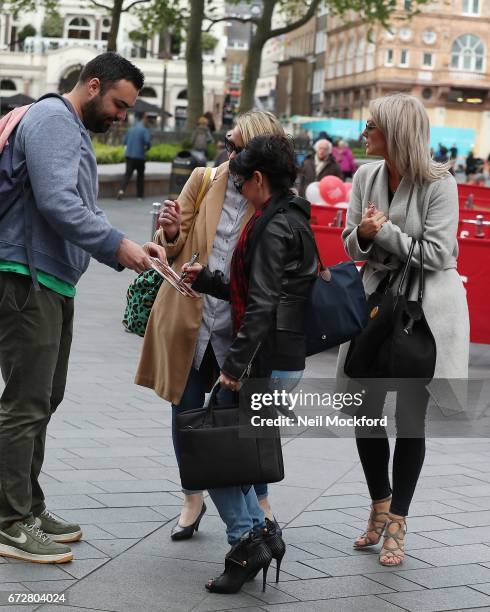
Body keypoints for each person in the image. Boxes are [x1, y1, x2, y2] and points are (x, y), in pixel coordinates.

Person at [0, 52, 167, 564]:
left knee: (45, 396)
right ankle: (8, 522)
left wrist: (135, 246)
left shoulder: (69, 128)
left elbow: (81, 208)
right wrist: (120, 248)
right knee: (26, 403)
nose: (122, 115)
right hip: (27, 277)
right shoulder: (53, 118)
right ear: (92, 85)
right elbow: (57, 203)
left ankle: (27, 503)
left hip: (50, 278)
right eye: (119, 103)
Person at [135, 111, 285, 542]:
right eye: (228, 142)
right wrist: (167, 231)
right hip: (190, 318)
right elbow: (173, 241)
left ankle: (260, 498)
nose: (228, 152)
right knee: (186, 412)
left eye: (237, 147)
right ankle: (192, 496)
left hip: (237, 328)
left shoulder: (271, 199)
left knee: (248, 419)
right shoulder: (204, 178)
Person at [336, 93, 469, 566]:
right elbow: (350, 237)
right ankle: (379, 504)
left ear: (394, 133)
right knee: (363, 409)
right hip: (375, 306)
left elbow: (440, 254)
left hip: (421, 312)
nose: (363, 133)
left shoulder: (440, 183)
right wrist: (366, 235)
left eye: (371, 125)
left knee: (411, 419)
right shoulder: (366, 175)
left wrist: (384, 233)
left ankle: (398, 523)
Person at [181, 134, 317, 593]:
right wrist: (211, 280)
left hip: (263, 358)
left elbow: (260, 306)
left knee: (213, 457)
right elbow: (260, 291)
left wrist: (232, 369)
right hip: (279, 354)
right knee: (237, 462)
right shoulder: (290, 217)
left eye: (240, 182)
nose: (237, 190)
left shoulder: (273, 226)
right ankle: (262, 537)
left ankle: (247, 545)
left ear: (258, 178)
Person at [117, 111, 151, 200]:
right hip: (139, 156)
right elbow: (147, 142)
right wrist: (147, 148)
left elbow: (124, 141)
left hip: (129, 155)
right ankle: (139, 196)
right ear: (143, 118)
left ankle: (121, 191)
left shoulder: (130, 129)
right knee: (140, 176)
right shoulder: (144, 129)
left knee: (127, 174)